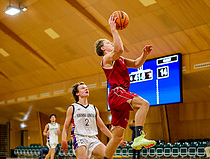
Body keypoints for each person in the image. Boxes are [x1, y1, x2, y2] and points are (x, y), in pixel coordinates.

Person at [94, 15, 156, 159]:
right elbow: (120, 49)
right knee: (144, 104)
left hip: (119, 95)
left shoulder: (119, 59)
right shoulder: (107, 58)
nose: (111, 43)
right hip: (117, 92)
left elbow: (136, 64)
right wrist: (113, 29)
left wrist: (144, 54)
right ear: (104, 48)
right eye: (109, 42)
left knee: (117, 137)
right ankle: (139, 136)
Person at [61, 82, 113, 159]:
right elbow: (66, 127)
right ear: (77, 93)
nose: (86, 89)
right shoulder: (72, 108)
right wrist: (63, 139)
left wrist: (113, 138)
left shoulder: (94, 108)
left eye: (87, 88)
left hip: (93, 139)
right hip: (79, 138)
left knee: (108, 155)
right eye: (83, 88)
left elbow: (102, 127)